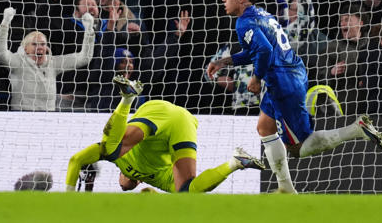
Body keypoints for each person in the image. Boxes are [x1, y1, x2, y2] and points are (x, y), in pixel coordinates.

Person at [206, 0, 382, 194]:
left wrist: (255, 78)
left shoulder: (244, 22)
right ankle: (285, 188)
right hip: (288, 73)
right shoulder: (261, 14)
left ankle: (356, 130)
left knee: (299, 148)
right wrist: (224, 61)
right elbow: (258, 50)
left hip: (283, 83)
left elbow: (264, 51)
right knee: (265, 127)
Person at [65, 76, 265, 193]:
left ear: (120, 174)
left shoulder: (118, 160)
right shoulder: (156, 179)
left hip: (157, 114)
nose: (124, 185)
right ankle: (236, 161)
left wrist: (67, 200)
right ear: (139, 182)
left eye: (122, 184)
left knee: (110, 149)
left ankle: (127, 99)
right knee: (186, 190)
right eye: (128, 186)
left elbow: (75, 160)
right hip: (182, 122)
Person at [0, 7, 95, 111]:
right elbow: (1, 54)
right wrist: (5, 24)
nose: (40, 47)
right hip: (22, 116)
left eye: (42, 44)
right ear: (26, 48)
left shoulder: (53, 63)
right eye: (34, 44)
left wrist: (89, 31)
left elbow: (84, 58)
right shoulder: (18, 62)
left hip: (48, 117)